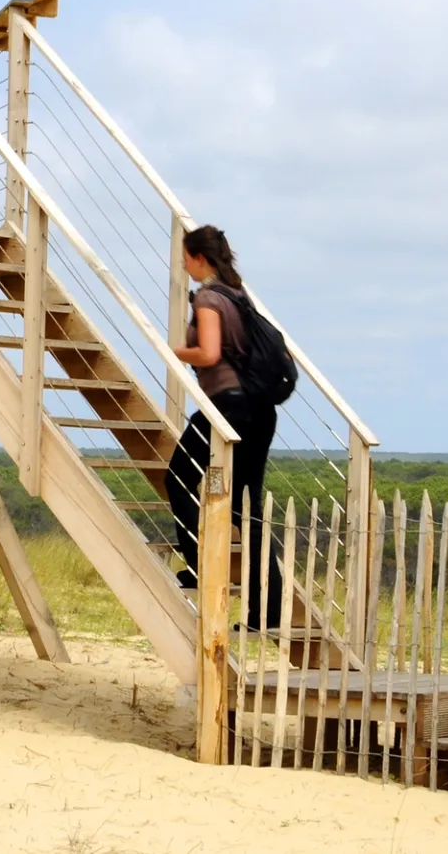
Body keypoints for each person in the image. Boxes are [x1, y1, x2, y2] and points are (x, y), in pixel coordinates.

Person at [164, 225, 283, 628]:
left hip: (228, 407)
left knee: (178, 478)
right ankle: (266, 610)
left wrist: (174, 351)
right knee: (244, 508)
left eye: (185, 257)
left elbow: (210, 353)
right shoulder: (239, 292)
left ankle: (200, 567)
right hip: (259, 409)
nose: (183, 264)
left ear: (200, 258)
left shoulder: (210, 297)